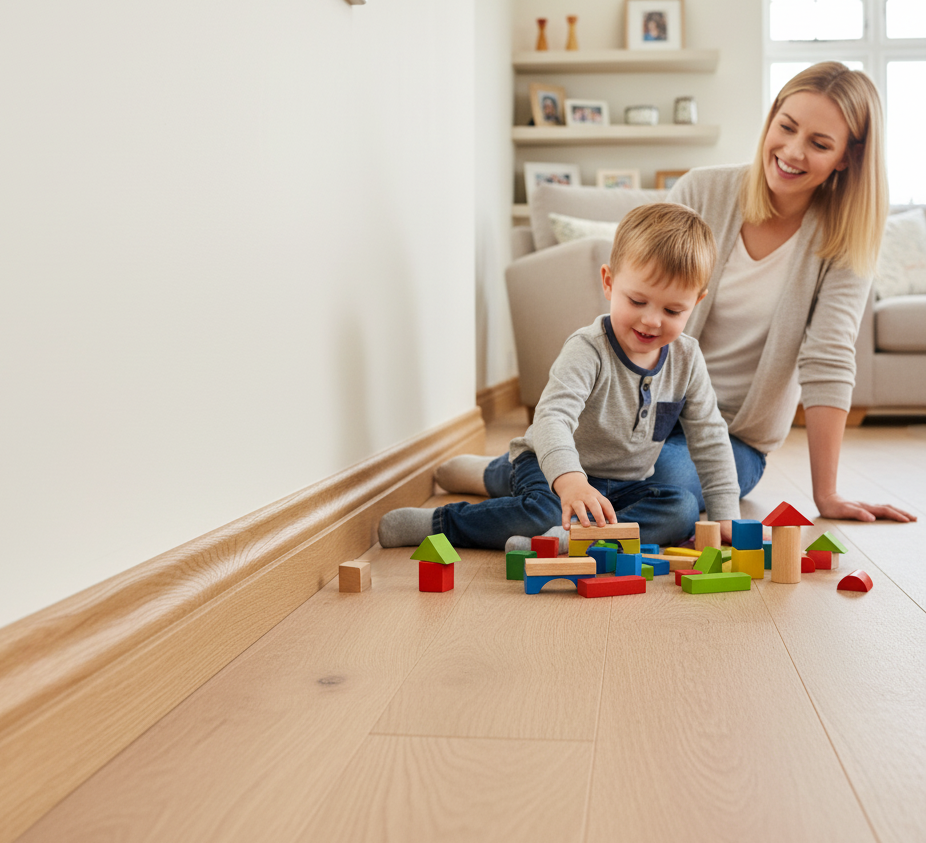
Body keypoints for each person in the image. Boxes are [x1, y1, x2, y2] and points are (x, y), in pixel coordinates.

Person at [435, 62, 915, 539]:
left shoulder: (846, 240)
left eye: (819, 143)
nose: (791, 151)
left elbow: (828, 359)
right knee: (611, 459)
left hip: (732, 435)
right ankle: (507, 472)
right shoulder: (703, 190)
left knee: (668, 481)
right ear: (771, 120)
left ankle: (548, 507)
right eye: (786, 127)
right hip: (637, 415)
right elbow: (640, 289)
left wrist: (825, 495)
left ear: (847, 157)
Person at [377, 203, 741, 551]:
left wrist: (726, 516)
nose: (651, 320)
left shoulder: (687, 358)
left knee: (682, 509)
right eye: (637, 301)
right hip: (549, 464)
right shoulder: (589, 348)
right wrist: (570, 481)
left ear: (697, 302)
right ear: (609, 283)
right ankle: (445, 522)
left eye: (673, 310)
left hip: (625, 485)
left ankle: (573, 540)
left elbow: (709, 436)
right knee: (544, 511)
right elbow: (552, 417)